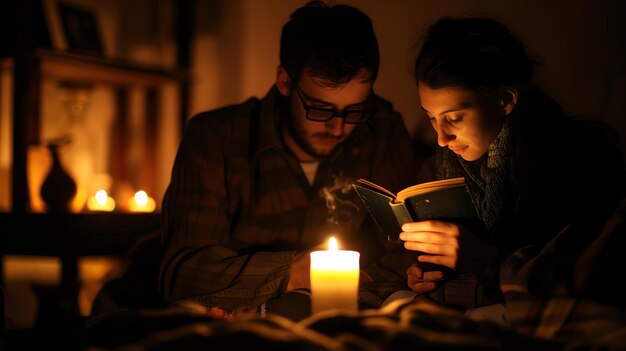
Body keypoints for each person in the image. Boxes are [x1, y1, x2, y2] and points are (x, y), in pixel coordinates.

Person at [159, 1, 427, 321]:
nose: (338, 127)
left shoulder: (381, 128)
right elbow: (183, 275)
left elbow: (406, 256)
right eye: (321, 109)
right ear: (284, 82)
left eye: (354, 110)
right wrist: (293, 272)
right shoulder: (216, 138)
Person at [397, 16, 626, 318]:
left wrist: (489, 261)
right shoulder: (436, 173)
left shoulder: (579, 159)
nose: (441, 138)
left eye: (454, 118)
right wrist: (421, 273)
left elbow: (589, 279)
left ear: (504, 101)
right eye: (431, 117)